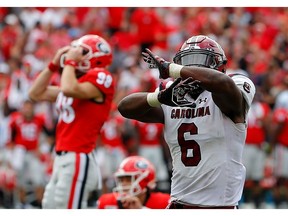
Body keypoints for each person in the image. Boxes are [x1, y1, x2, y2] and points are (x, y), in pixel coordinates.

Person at [118, 35, 256, 209]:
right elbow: (124, 107)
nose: (191, 67)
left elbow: (220, 82)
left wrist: (172, 69)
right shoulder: (172, 91)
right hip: (178, 203)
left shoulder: (234, 83)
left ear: (218, 64)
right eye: (187, 62)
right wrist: (159, 97)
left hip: (219, 206)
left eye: (200, 60)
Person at [28, 34, 115, 209]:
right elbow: (35, 93)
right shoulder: (79, 83)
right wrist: (53, 64)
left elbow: (68, 89)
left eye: (81, 51)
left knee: (68, 208)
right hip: (62, 156)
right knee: (50, 207)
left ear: (96, 58)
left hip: (78, 156)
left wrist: (70, 62)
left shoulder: (100, 76)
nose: (74, 53)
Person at [7, 100, 51, 208]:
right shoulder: (15, 121)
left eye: (29, 107)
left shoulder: (39, 120)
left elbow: (50, 137)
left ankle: (40, 205)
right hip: (20, 154)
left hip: (33, 154)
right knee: (20, 181)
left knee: (39, 180)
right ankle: (21, 205)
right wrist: (13, 154)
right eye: (25, 107)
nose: (27, 110)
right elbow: (11, 140)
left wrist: (43, 150)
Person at [96, 155, 170, 209]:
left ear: (146, 181)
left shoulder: (164, 203)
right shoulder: (107, 201)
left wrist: (141, 210)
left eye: (129, 179)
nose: (124, 184)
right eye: (121, 180)